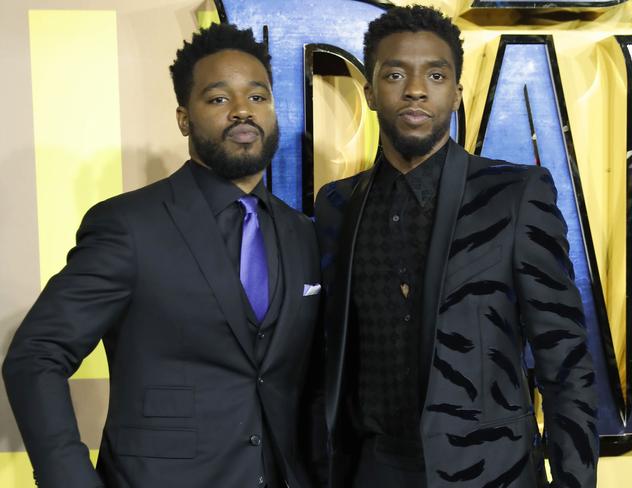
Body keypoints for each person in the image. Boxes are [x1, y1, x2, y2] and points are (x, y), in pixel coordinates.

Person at [3, 23, 321, 488]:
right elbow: (36, 354)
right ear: (183, 118)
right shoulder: (129, 225)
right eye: (218, 99)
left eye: (258, 97)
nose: (242, 112)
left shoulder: (302, 233)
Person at [314, 5, 598, 488]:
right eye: (396, 73)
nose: (416, 88)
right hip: (370, 469)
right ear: (370, 92)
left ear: (457, 93)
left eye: (436, 74)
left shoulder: (513, 195)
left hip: (492, 472)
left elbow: (565, 360)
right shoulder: (337, 205)